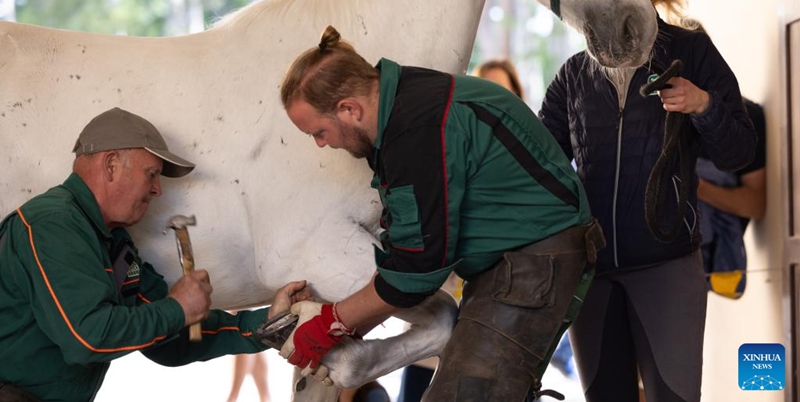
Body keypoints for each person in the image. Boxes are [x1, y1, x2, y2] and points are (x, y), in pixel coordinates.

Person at [277, 26, 606, 401]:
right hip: (518, 259)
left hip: (538, 260)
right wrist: (346, 323)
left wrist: (333, 321)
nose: (321, 144)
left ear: (349, 109)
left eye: (319, 131)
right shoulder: (401, 107)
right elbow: (409, 249)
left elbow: (417, 266)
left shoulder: (415, 128)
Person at [538, 0, 756, 402]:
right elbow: (538, 171)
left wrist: (704, 105)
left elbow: (739, 150)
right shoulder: (574, 74)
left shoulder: (691, 51)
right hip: (592, 273)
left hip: (667, 268)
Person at [0, 107, 311, 402]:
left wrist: (267, 322)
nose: (157, 190)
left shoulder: (115, 245)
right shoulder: (53, 223)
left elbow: (172, 338)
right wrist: (178, 308)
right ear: (110, 165)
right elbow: (87, 339)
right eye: (151, 174)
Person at [697, 99, 766, 299]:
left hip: (699, 264)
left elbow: (756, 205)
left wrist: (695, 187)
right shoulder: (650, 113)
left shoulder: (744, 116)